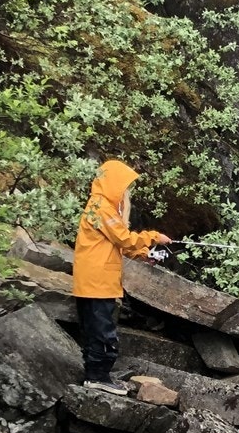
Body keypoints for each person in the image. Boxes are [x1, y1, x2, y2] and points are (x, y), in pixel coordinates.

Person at [73, 159, 172, 395]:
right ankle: (98, 376)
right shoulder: (100, 207)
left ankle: (95, 375)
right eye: (124, 186)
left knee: (95, 329)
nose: (126, 192)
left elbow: (120, 244)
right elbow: (123, 239)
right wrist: (153, 237)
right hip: (97, 283)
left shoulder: (101, 207)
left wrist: (144, 253)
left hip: (93, 281)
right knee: (102, 331)